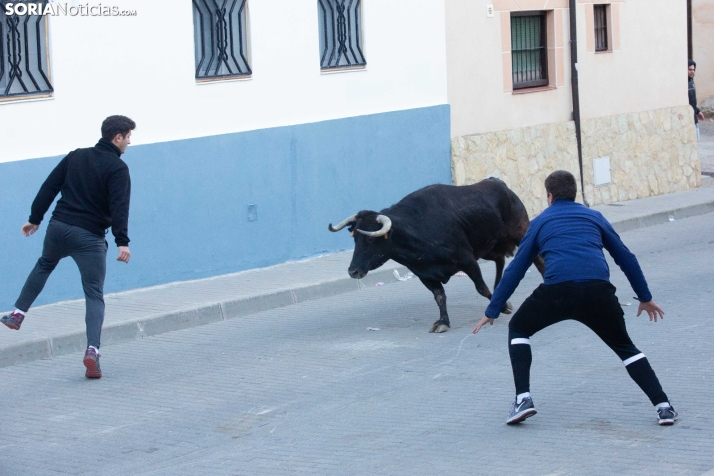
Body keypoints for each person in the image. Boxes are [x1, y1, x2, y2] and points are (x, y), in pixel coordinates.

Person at [472, 170, 676, 426]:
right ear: (574, 193)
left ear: (550, 196)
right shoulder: (594, 217)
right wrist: (644, 297)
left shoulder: (540, 223)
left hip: (557, 291)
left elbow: (517, 269)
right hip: (597, 292)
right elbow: (625, 257)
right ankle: (664, 407)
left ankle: (523, 400)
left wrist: (492, 309)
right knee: (625, 348)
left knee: (519, 329)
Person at [1, 115, 135, 379]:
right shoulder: (118, 169)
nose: (130, 142)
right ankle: (92, 351)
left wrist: (35, 218)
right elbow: (120, 206)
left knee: (45, 264)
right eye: (128, 136)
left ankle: (17, 313)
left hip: (59, 228)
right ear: (117, 137)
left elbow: (50, 186)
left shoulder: (76, 156)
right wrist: (122, 241)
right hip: (90, 238)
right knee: (94, 293)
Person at [689, 59, 706, 142]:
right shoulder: (683, 83)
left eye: (693, 69)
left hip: (694, 119)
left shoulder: (691, 81)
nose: (692, 72)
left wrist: (697, 111)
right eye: (690, 70)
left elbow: (692, 101)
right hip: (688, 121)